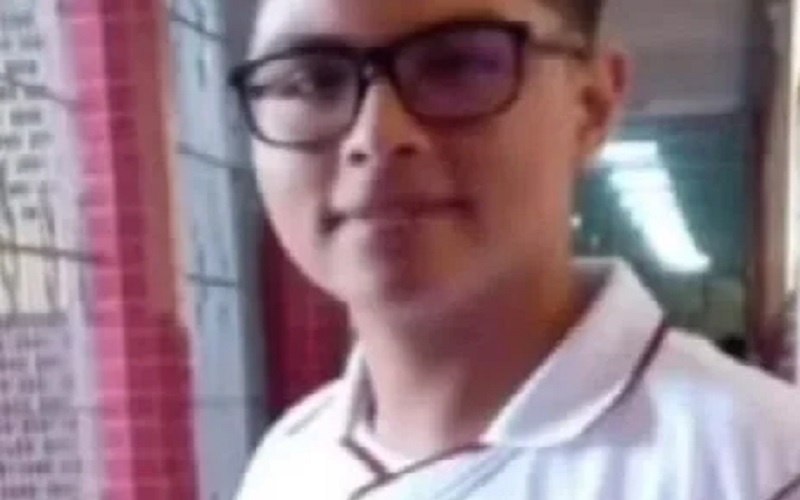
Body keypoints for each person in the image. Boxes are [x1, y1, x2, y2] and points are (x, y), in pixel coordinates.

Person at [229, 0, 800, 498]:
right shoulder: (288, 462)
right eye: (312, 81)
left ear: (592, 105)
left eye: (455, 64)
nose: (376, 137)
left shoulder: (759, 468)